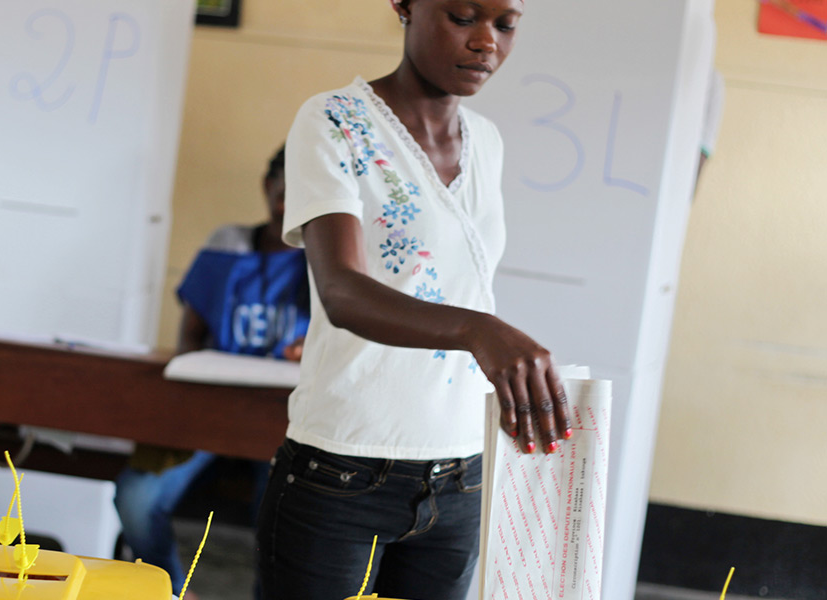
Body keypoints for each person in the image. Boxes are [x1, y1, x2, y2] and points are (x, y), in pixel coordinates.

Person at [255, 2, 572, 600]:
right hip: (343, 468)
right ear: (404, 5)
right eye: (462, 16)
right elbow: (342, 291)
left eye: (505, 25)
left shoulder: (487, 141)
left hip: (460, 474)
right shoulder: (334, 120)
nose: (486, 43)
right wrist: (481, 332)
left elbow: (460, 282)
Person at [113, 146, 310, 597]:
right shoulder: (228, 245)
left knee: (281, 523)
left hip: (284, 423)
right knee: (136, 498)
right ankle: (171, 591)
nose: (288, 210)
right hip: (209, 408)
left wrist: (311, 351)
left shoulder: (326, 262)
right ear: (267, 187)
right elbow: (192, 334)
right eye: (283, 196)